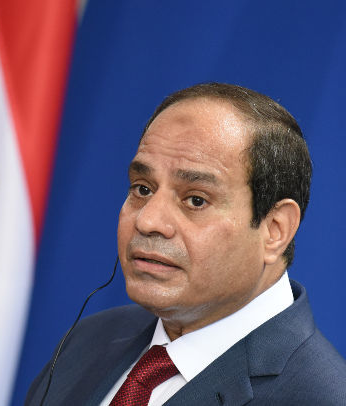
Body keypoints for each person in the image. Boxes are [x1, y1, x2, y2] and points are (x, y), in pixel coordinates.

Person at [25, 83, 346, 405]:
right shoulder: (87, 340)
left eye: (195, 199)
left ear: (275, 230)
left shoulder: (320, 396)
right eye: (143, 189)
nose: (148, 221)